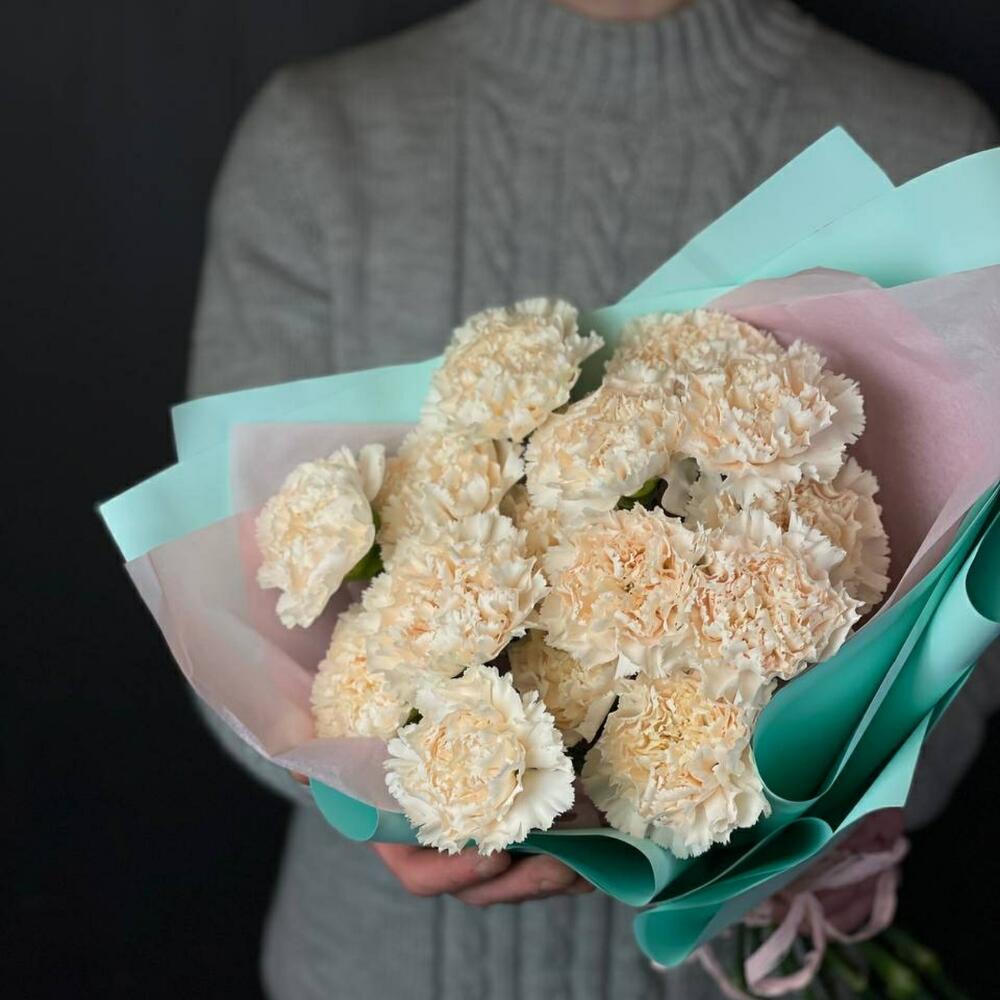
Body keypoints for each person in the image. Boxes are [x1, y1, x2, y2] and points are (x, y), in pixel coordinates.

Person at [187, 1, 999, 996]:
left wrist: (755, 818)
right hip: (379, 969)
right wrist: (402, 798)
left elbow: (965, 676)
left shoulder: (926, 143)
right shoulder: (321, 137)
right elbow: (233, 621)